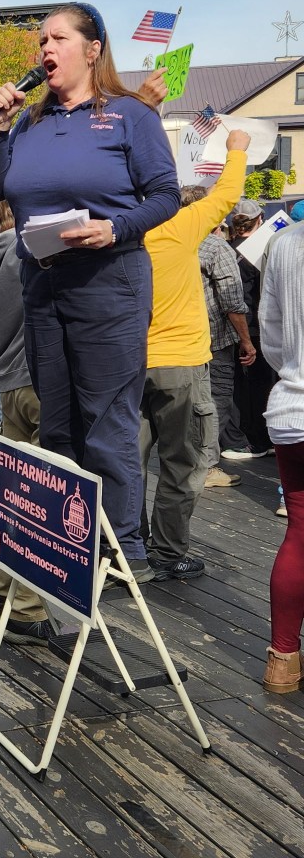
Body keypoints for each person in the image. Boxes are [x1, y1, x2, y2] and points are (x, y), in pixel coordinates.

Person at [0, 1, 180, 579]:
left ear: (93, 50)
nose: (45, 48)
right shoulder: (28, 122)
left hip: (109, 280)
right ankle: (69, 549)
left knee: (107, 420)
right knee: (58, 422)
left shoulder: (129, 115)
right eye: (41, 40)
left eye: (58, 38)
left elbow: (166, 194)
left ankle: (123, 551)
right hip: (43, 283)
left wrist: (115, 227)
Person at [138, 130, 250, 581]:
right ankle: (167, 553)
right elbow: (226, 195)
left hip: (126, 365)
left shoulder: (116, 234)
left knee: (127, 464)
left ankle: (128, 548)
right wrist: (237, 150)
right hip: (181, 363)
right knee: (183, 462)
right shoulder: (177, 227)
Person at [0, 200, 55, 645]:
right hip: (43, 381)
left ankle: (7, 596)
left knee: (15, 497)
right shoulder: (33, 251)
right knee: (44, 499)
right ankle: (24, 607)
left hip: (7, 382)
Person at [258, 218, 304, 692]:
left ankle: (283, 660)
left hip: (293, 408)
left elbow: (270, 332)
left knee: (300, 533)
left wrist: (294, 369)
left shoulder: (286, 241)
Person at [197, 212, 253, 489]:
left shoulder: (168, 239)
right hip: (214, 338)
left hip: (179, 337)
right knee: (215, 402)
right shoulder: (215, 247)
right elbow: (232, 301)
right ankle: (205, 467)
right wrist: (246, 341)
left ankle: (191, 464)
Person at [228, 198, 275, 458]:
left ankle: (254, 438)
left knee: (242, 385)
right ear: (259, 220)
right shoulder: (261, 250)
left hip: (235, 325)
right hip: (255, 326)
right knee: (260, 384)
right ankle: (260, 439)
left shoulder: (227, 249)